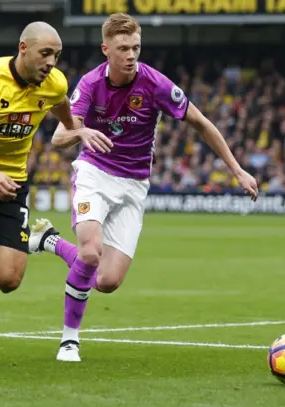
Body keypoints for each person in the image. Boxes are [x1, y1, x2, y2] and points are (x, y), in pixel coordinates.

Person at [27, 13, 259, 363]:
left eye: (136, 47)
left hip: (134, 185)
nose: (131, 54)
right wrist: (81, 132)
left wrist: (237, 169)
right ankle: (69, 340)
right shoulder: (89, 85)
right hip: (95, 173)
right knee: (90, 252)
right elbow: (59, 136)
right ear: (106, 49)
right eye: (123, 48)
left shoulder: (156, 84)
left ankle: (51, 242)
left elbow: (200, 123)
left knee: (106, 281)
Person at [0, 21, 109, 367]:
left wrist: (80, 130)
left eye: (57, 55)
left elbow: (64, 109)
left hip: (12, 183)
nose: (51, 61)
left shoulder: (54, 83)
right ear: (23, 49)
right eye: (46, 53)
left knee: (9, 280)